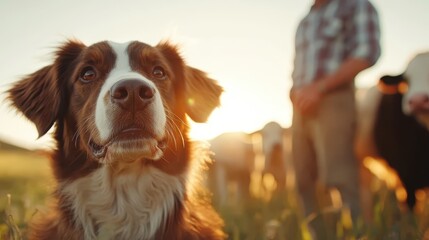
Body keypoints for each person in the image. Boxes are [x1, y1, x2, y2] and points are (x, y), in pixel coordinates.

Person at [290, 0, 381, 233]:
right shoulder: (305, 20)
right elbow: (297, 67)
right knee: (303, 180)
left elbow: (366, 52)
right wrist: (295, 92)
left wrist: (319, 88)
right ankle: (318, 235)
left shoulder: (355, 6)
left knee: (340, 175)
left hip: (334, 99)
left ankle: (360, 233)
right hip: (300, 105)